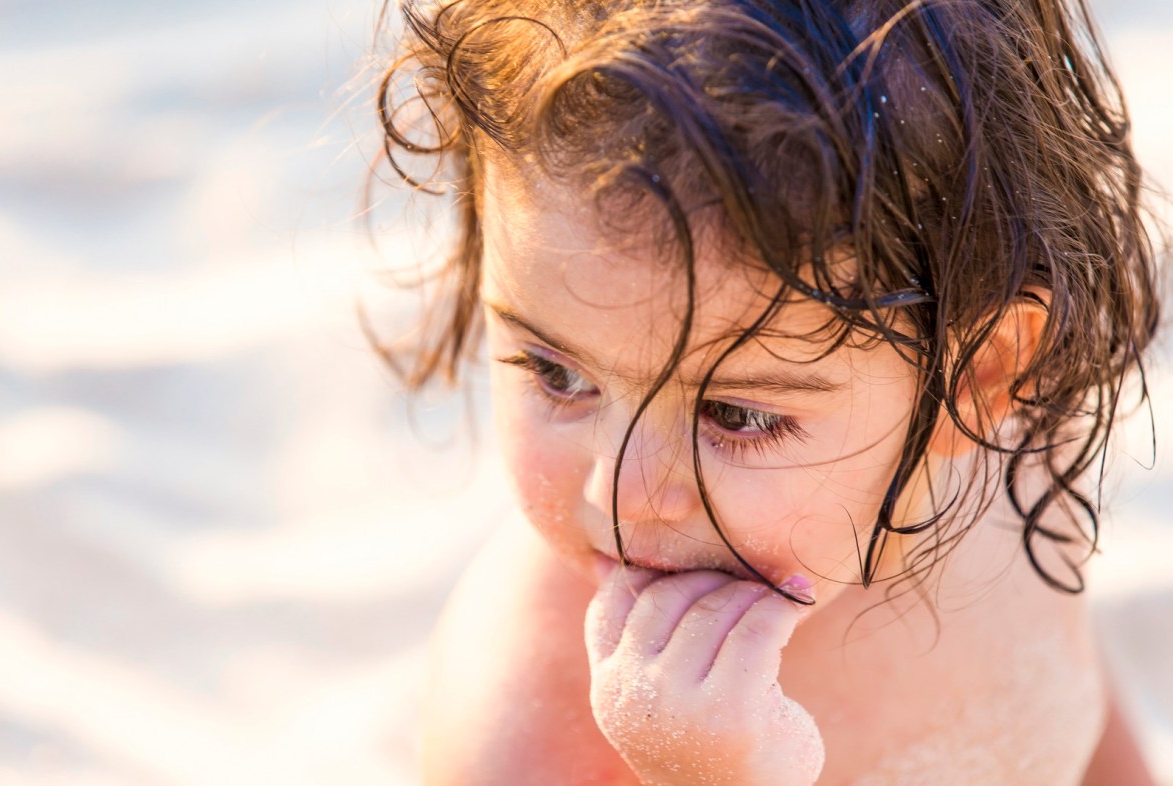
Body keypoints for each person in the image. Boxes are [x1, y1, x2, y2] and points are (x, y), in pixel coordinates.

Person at [372, 0, 1162, 782]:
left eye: (738, 415)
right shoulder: (527, 716)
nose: (620, 493)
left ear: (978, 377)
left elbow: (1068, 702)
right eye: (559, 374)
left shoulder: (1016, 470)